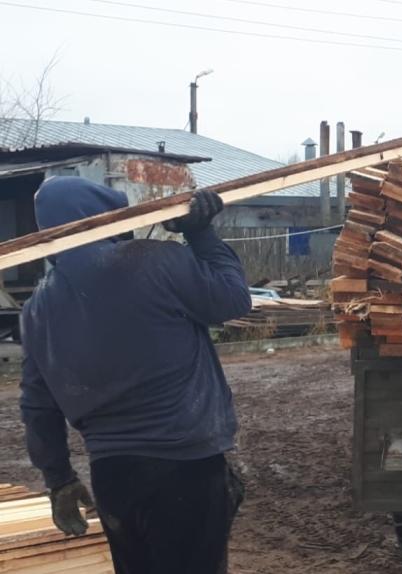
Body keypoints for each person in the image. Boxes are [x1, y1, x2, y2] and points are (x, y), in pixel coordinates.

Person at [19, 177, 252, 574]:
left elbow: (37, 405)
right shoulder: (151, 260)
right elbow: (232, 298)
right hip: (186, 466)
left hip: (113, 475)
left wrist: (59, 480)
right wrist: (202, 233)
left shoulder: (37, 309)